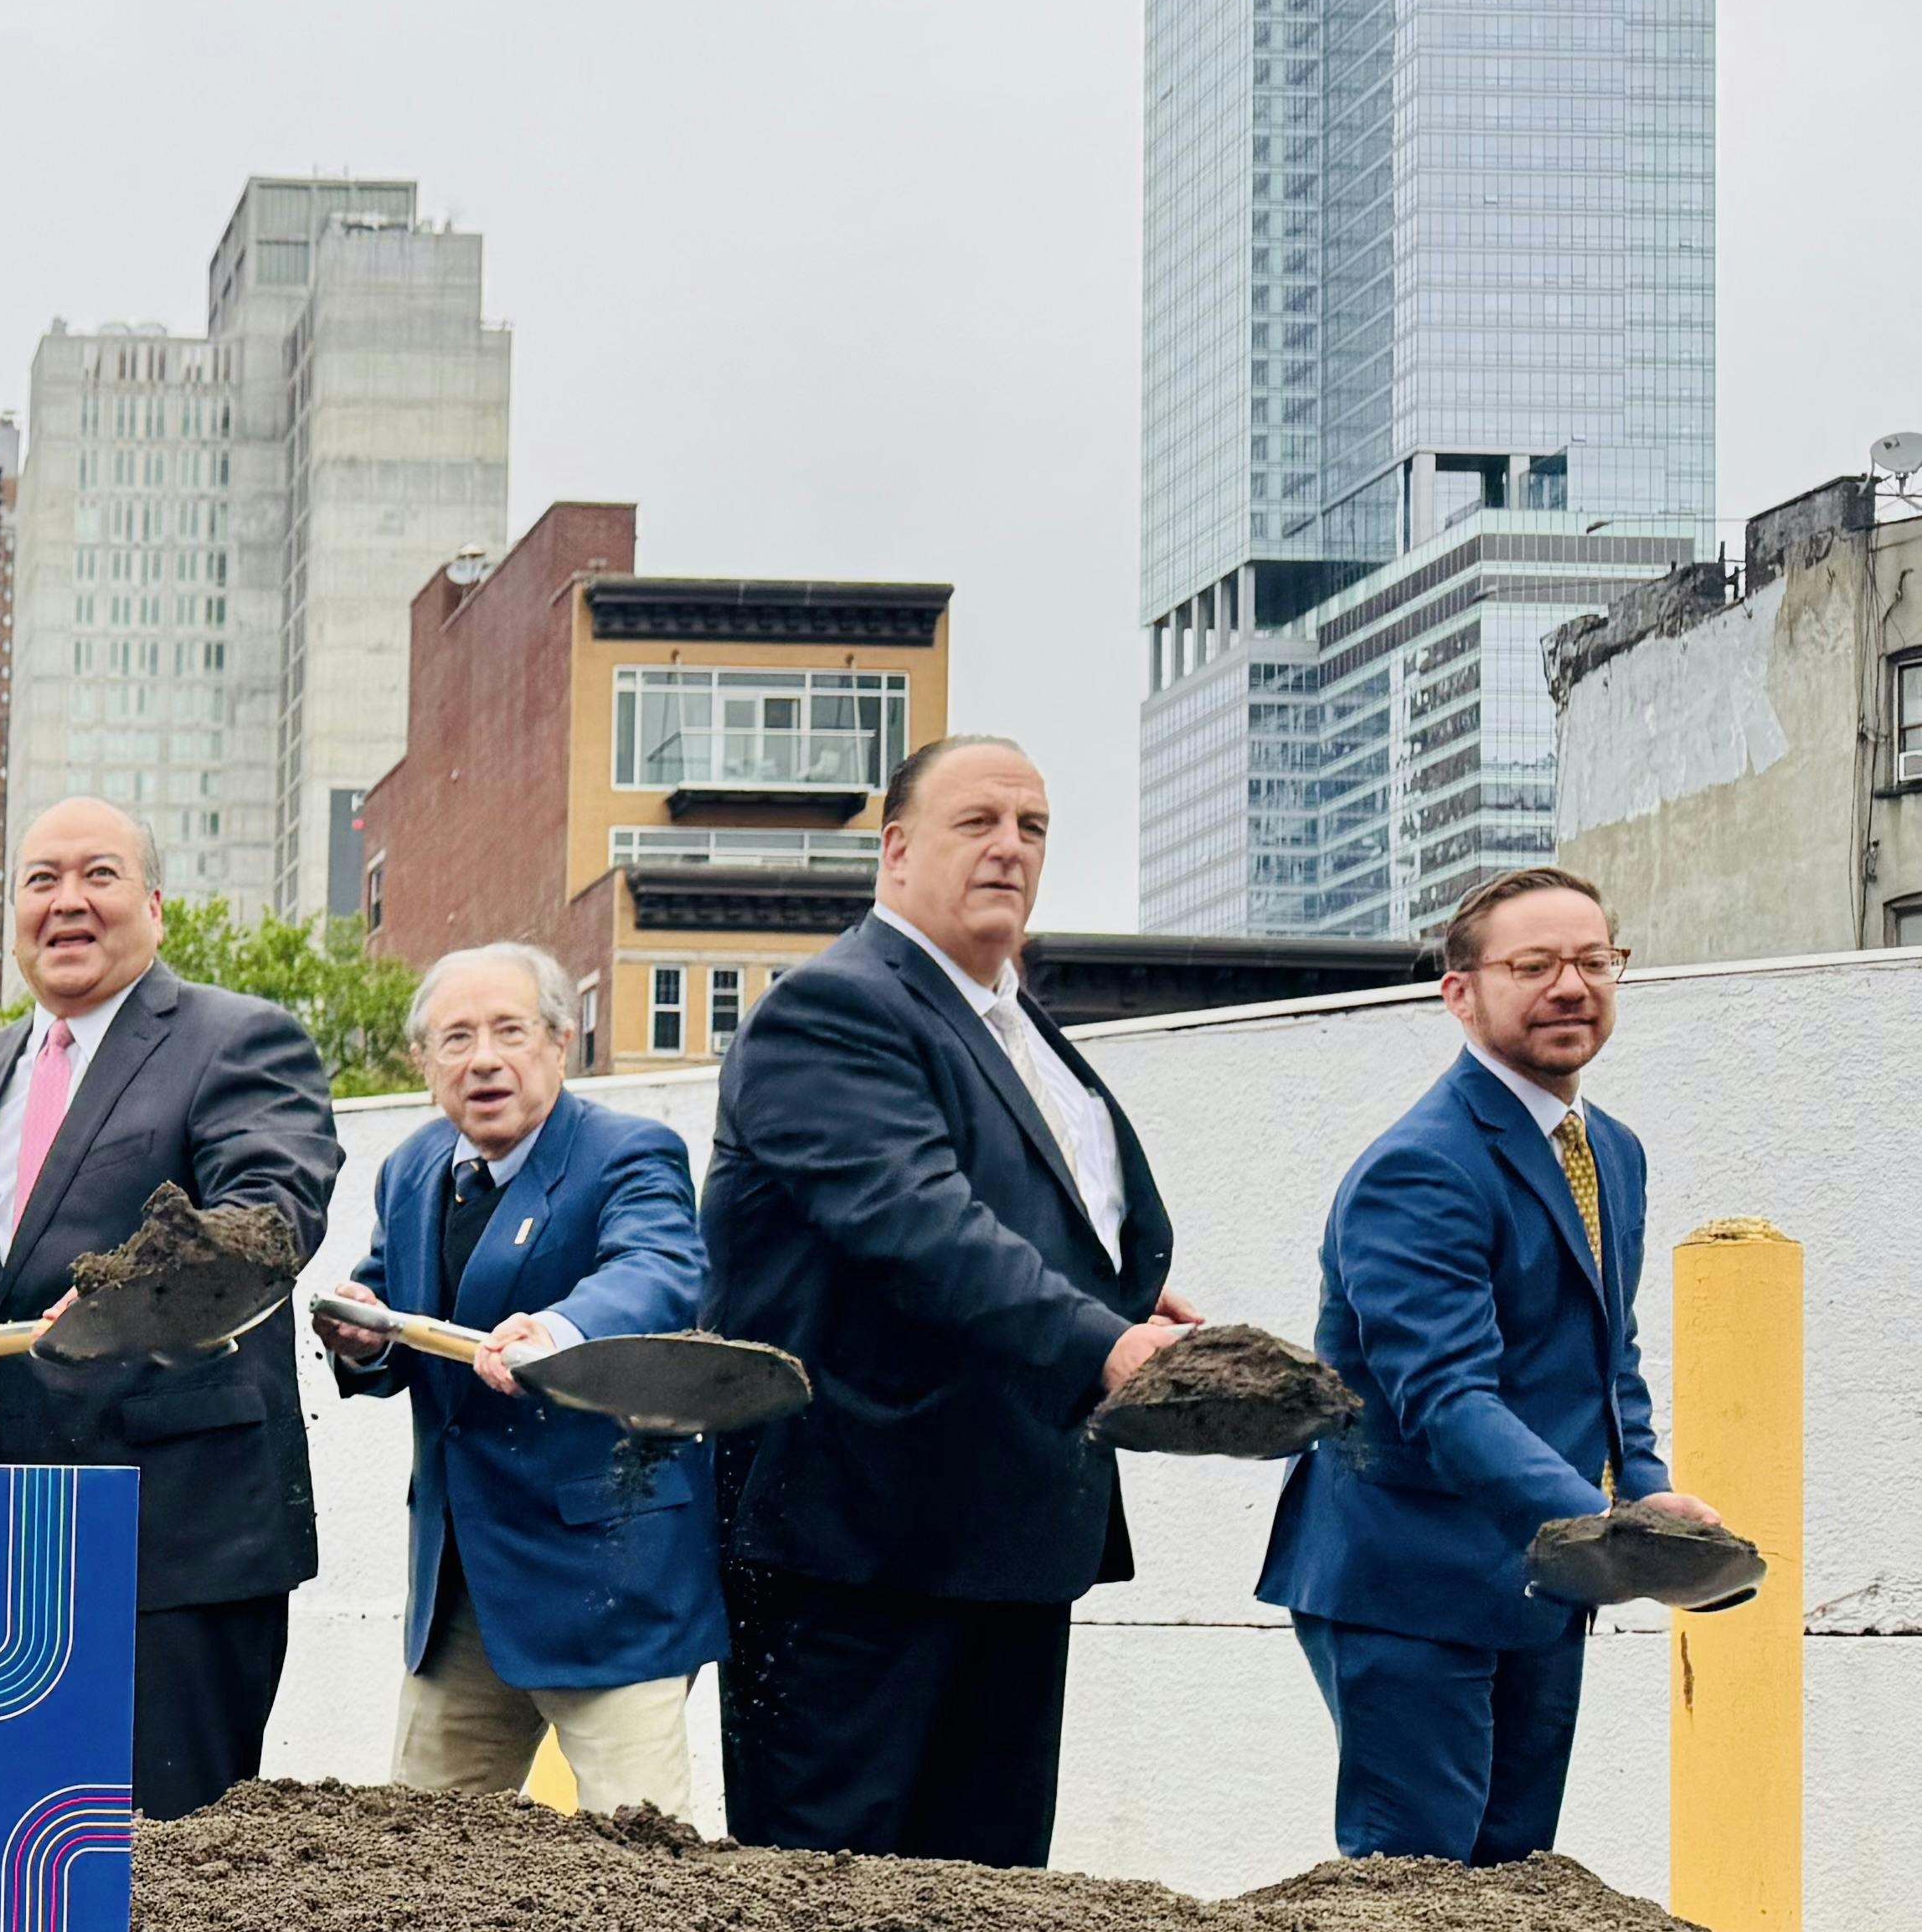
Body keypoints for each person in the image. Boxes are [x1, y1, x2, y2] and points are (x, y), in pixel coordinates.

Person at [703, 735, 1199, 1867]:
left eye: (1029, 827)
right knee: (829, 1917)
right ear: (893, 850)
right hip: (857, 1545)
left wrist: (1125, 1291)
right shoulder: (829, 1009)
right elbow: (915, 1224)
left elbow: (1018, 1210)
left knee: (990, 1926)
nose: (1008, 847)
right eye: (975, 821)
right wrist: (1102, 1342)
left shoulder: (1018, 1027)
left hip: (1012, 1531)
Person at [1257, 868, 1720, 1864]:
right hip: (1407, 1582)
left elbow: (1606, 1361)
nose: (1571, 986)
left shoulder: (1612, 1151)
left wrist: (1644, 1491)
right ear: (1458, 992)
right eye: (1533, 964)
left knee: (1513, 1905)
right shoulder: (1419, 1166)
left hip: (1537, 1583)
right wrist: (1601, 1527)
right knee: (1411, 1908)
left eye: (1594, 960)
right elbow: (1444, 1397)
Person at [0, 796, 340, 1817]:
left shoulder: (238, 1038)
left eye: (98, 875)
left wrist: (112, 1301)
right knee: (9, 1831)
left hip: (183, 1526)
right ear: (11, 912)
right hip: (16, 1525)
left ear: (153, 904)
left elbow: (266, 1223)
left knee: (175, 1862)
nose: (68, 901)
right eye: (40, 879)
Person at [321, 942, 721, 1816]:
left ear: (560, 1042)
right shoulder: (412, 1169)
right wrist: (360, 1337)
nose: (485, 1058)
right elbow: (391, 1305)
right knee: (418, 1861)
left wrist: (559, 1330)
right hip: (461, 1586)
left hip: (608, 1582)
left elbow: (657, 1268)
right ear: (422, 1065)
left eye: (509, 1030)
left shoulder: (629, 1152)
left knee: (642, 1866)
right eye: (455, 1038)